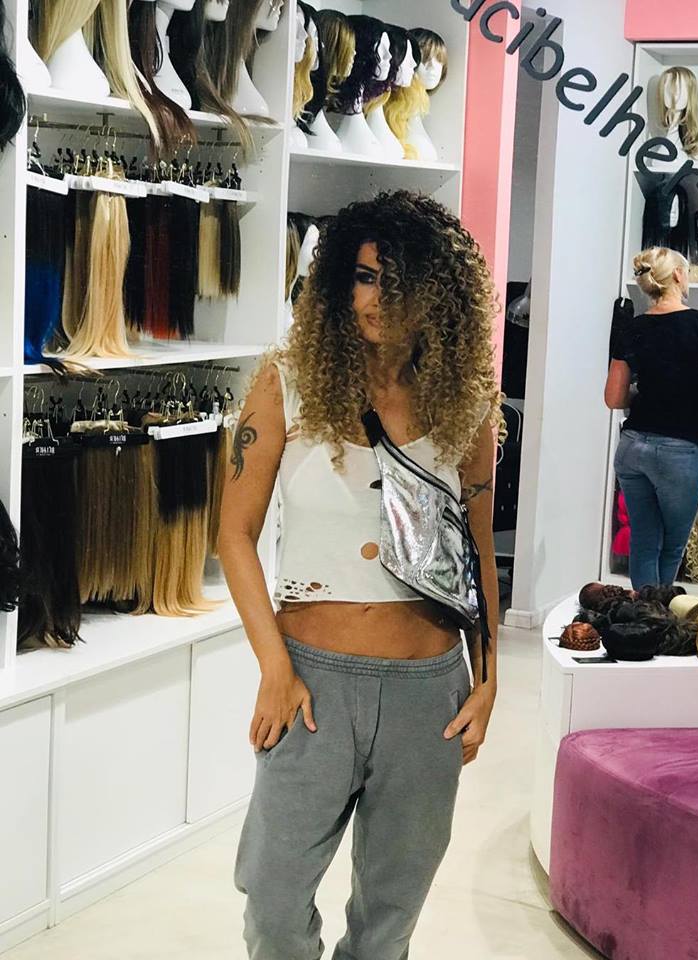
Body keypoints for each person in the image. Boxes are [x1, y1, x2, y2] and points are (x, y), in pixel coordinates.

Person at [218, 190, 506, 960]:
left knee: (388, 922)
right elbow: (234, 534)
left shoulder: (467, 404)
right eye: (366, 276)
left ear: (437, 294)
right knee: (273, 905)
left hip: (427, 692)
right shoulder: (287, 381)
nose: (376, 299)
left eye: (398, 282)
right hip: (311, 682)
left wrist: (488, 682)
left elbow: (477, 551)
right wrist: (274, 668)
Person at [604, 246, 698, 589]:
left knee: (645, 542)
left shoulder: (633, 328)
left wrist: (643, 394)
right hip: (681, 450)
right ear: (677, 274)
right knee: (673, 545)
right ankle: (657, 614)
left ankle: (644, 615)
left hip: (634, 448)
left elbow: (613, 398)